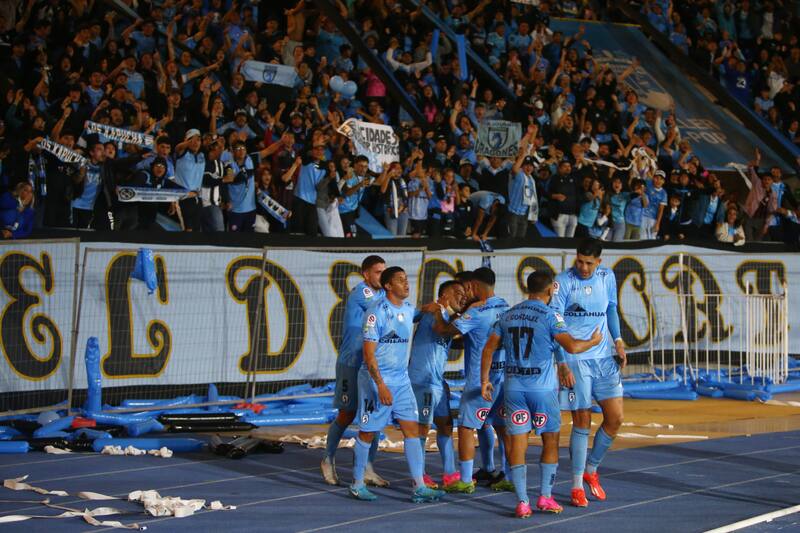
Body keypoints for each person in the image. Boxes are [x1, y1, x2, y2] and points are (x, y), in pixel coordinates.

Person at [481, 270, 602, 518]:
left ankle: (522, 501)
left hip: (514, 389)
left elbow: (489, 348)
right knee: (550, 439)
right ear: (550, 290)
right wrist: (592, 341)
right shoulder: (551, 315)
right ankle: (545, 497)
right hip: (542, 391)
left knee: (518, 441)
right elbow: (571, 346)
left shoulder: (508, 314)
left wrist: (484, 380)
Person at [350, 266, 446, 504]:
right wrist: (380, 386)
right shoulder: (376, 312)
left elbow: (415, 313)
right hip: (377, 380)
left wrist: (429, 308)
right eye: (401, 280)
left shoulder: (406, 308)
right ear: (388, 286)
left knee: (412, 430)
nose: (406, 283)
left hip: (402, 381)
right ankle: (357, 483)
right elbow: (369, 355)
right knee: (368, 432)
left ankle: (420, 486)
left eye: (406, 279)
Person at [551, 238, 626, 508]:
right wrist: (562, 361)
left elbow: (611, 310)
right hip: (575, 359)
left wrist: (618, 341)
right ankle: (575, 486)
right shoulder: (563, 281)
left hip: (605, 357)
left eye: (588, 263)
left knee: (615, 419)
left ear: (599, 262)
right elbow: (554, 322)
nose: (583, 267)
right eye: (579, 261)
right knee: (582, 420)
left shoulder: (607, 276)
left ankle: (591, 469)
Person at [431, 267, 511, 493]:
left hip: (480, 381)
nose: (465, 293)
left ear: (475, 286)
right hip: (504, 378)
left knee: (466, 427)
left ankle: (465, 479)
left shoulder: (476, 312)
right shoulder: (506, 306)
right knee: (500, 426)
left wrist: (439, 310)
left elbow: (443, 330)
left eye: (466, 288)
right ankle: (504, 473)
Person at [322, 255, 388, 488]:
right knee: (347, 414)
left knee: (374, 416)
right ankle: (328, 459)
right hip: (351, 362)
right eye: (378, 272)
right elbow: (385, 311)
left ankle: (368, 467)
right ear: (366, 274)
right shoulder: (363, 293)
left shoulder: (382, 295)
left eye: (384, 271)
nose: (382, 276)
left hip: (370, 365)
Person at [409, 280, 467, 489]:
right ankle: (419, 475)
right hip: (423, 381)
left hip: (437, 381)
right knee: (422, 428)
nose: (463, 297)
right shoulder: (434, 312)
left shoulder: (445, 316)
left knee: (445, 424)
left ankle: (450, 473)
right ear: (444, 295)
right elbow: (437, 329)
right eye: (458, 292)